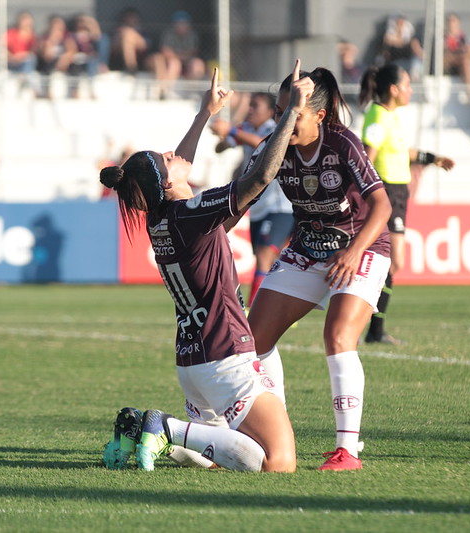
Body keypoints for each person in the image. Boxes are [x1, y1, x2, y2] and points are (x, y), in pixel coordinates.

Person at [100, 63, 313, 473]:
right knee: (279, 462)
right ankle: (165, 427)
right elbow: (262, 177)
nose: (176, 154)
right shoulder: (190, 214)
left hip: (192, 361)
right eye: (167, 158)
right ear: (165, 182)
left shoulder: (161, 219)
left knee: (218, 458)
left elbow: (181, 169)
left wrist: (204, 114)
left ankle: (142, 433)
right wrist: (290, 113)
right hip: (224, 356)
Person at [243, 65, 393, 472]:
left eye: (294, 112)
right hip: (307, 249)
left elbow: (382, 205)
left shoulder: (344, 144)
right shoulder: (274, 145)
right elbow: (239, 195)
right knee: (252, 342)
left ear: (320, 116)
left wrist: (352, 253)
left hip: (360, 246)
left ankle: (348, 451)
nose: (283, 120)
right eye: (279, 112)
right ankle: (276, 432)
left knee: (338, 335)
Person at [359, 63, 454, 345]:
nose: (410, 90)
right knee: (393, 261)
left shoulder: (391, 116)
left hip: (398, 193)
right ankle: (368, 323)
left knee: (392, 263)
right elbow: (366, 157)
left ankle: (375, 330)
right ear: (393, 89)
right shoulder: (378, 116)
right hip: (386, 192)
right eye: (407, 85)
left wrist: (431, 158)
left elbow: (403, 151)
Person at [211, 92, 293, 305]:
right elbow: (220, 148)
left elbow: (262, 144)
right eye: (249, 105)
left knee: (266, 255)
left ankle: (253, 309)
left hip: (280, 206)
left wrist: (231, 130)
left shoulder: (273, 129)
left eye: (255, 106)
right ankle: (281, 306)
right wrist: (230, 134)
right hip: (257, 206)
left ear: (269, 111)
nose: (250, 110)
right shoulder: (245, 128)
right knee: (267, 259)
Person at [149, 11, 205, 98]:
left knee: (197, 64)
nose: (182, 26)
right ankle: (165, 90)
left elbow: (193, 52)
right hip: (172, 61)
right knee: (174, 63)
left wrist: (178, 55)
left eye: (185, 23)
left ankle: (192, 92)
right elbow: (165, 51)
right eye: (180, 23)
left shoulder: (192, 35)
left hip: (187, 62)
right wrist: (179, 56)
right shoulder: (169, 34)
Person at [443, 13, 470, 103]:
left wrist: (465, 50)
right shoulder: (443, 37)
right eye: (449, 21)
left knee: (466, 62)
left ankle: (469, 93)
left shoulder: (464, 38)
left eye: (453, 21)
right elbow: (443, 52)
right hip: (447, 64)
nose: (451, 23)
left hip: (460, 64)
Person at [4, 11, 40, 95]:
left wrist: (22, 56)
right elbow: (2, 46)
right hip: (12, 62)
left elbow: (33, 51)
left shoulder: (32, 36)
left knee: (30, 60)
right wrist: (11, 56)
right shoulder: (12, 33)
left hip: (25, 62)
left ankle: (24, 80)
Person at [381, 14, 422, 82]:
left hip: (407, 63)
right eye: (398, 23)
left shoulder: (411, 39)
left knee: (416, 63)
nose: (400, 25)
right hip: (394, 63)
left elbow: (418, 51)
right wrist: (398, 33)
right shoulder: (389, 36)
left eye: (402, 23)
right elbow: (393, 41)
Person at [107, 7, 149, 75]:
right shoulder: (118, 30)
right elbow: (109, 43)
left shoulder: (143, 31)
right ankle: (131, 67)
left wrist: (132, 34)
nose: (130, 19)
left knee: (129, 35)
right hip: (118, 54)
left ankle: (131, 67)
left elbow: (147, 44)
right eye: (129, 17)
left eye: (133, 17)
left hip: (141, 56)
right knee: (127, 35)